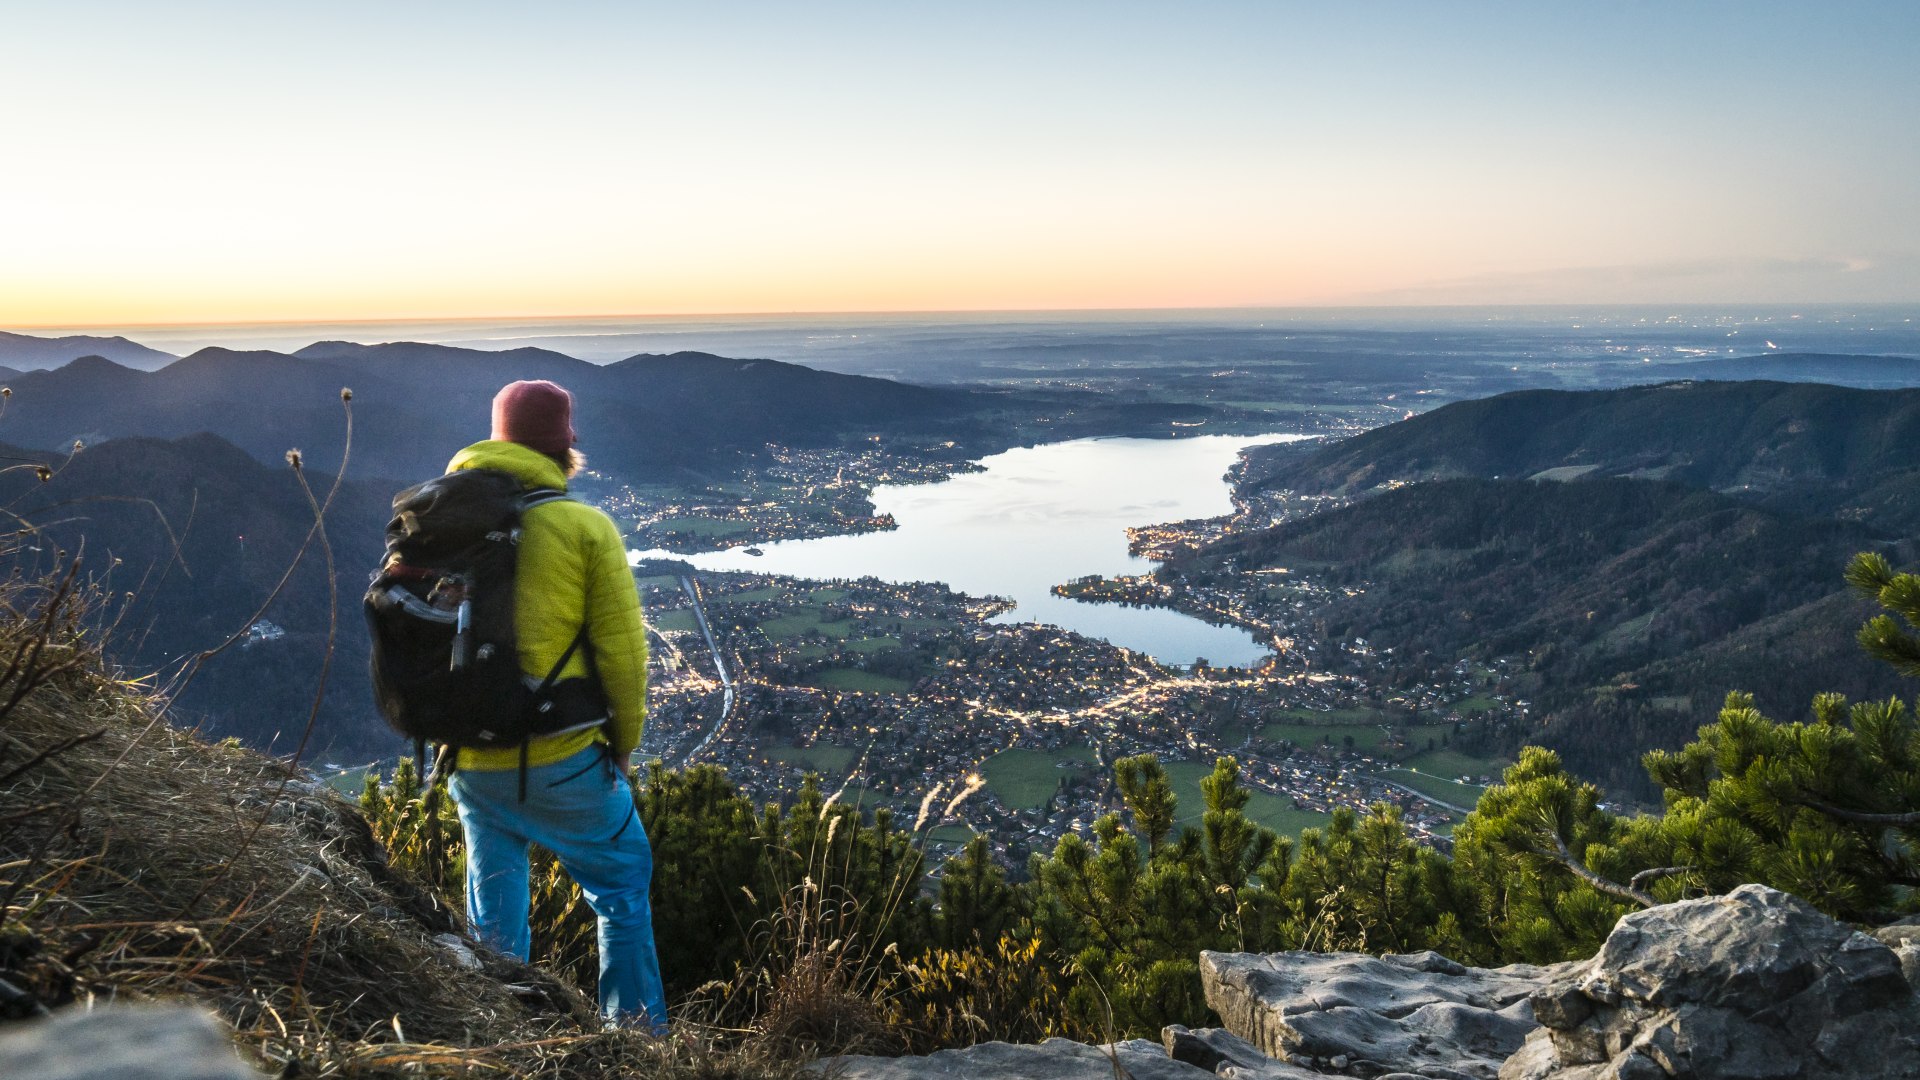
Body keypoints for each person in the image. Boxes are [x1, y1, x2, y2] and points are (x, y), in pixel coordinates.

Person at [442, 379, 667, 1032]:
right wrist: (622, 747)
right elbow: (623, 661)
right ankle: (639, 1042)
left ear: (495, 437)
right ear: (566, 442)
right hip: (564, 757)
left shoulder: (445, 522)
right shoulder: (582, 528)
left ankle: (498, 1029)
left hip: (472, 757)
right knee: (622, 885)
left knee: (495, 896)